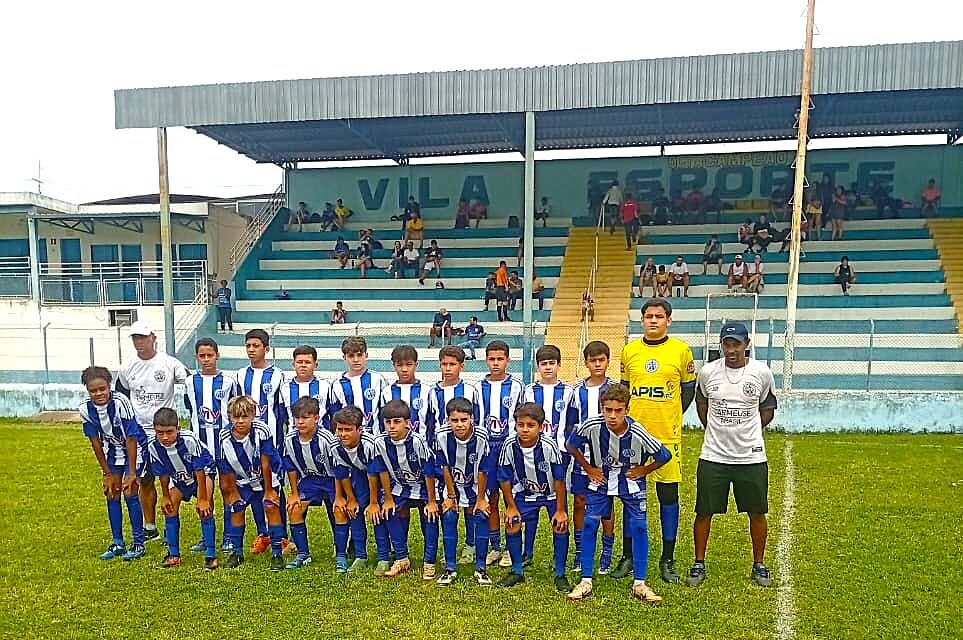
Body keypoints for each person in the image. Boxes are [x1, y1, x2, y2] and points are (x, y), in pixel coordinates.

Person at [687, 322, 778, 589]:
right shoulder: (708, 372)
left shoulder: (761, 372)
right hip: (713, 455)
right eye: (727, 344)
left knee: (757, 512)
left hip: (751, 457)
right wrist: (718, 431)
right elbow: (701, 403)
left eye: (736, 344)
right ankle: (699, 563)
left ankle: (759, 564)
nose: (731, 349)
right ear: (721, 345)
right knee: (704, 511)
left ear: (746, 344)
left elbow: (768, 407)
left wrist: (747, 432)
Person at [566, 385, 671, 603]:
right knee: (589, 523)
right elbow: (571, 445)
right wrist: (589, 468)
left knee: (639, 526)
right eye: (608, 410)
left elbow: (664, 455)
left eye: (618, 410)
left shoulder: (638, 431)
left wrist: (643, 470)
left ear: (627, 410)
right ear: (601, 408)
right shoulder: (591, 425)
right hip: (601, 480)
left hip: (630, 481)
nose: (612, 416)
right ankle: (586, 579)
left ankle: (639, 583)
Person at [617, 298, 696, 583]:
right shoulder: (629, 351)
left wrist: (671, 414)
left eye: (659, 316)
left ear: (668, 320)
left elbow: (688, 390)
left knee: (667, 497)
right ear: (642, 320)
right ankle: (627, 556)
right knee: (631, 497)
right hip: (633, 436)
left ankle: (667, 559)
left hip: (667, 435)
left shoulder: (681, 351)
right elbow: (624, 391)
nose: (653, 320)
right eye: (648, 316)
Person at [116, 320, 189, 544]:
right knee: (144, 478)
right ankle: (150, 526)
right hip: (140, 431)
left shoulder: (169, 363)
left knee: (175, 477)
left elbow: (190, 383)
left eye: (143, 337)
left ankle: (171, 522)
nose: (139, 342)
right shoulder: (127, 367)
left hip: (165, 432)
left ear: (153, 338)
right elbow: (120, 397)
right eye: (135, 338)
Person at [496, 403, 571, 591]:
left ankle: (560, 573)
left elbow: (560, 479)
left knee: (560, 525)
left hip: (552, 495)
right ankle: (517, 570)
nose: (525, 429)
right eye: (521, 425)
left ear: (541, 427)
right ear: (515, 426)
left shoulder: (549, 446)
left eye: (531, 425)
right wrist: (511, 506)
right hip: (525, 492)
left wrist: (561, 510)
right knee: (512, 522)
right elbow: (504, 478)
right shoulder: (509, 445)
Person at [80, 365, 147, 561]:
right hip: (112, 452)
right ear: (88, 391)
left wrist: (132, 472)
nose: (99, 393)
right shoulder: (85, 409)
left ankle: (138, 543)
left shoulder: (120, 402)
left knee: (130, 491)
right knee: (111, 493)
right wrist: (107, 473)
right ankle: (118, 543)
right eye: (93, 390)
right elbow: (95, 442)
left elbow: (132, 438)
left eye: (102, 389)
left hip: (135, 450)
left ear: (109, 386)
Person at [369, 399, 441, 579]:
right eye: (388, 422)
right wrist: (388, 498)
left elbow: (429, 472)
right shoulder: (380, 442)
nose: (392, 427)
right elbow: (382, 470)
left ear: (407, 423)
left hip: (425, 487)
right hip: (400, 486)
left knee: (430, 515)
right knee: (390, 511)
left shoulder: (417, 441)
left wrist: (432, 501)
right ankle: (402, 558)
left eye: (397, 422)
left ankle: (429, 562)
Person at [523, 346, 576, 572]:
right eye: (543, 363)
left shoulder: (568, 391)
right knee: (531, 501)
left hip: (560, 455)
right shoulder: (528, 391)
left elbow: (573, 421)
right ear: (538, 366)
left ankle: (560, 560)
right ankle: (527, 552)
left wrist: (567, 445)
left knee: (558, 502)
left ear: (558, 364)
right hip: (531, 453)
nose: (547, 367)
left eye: (552, 363)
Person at [217, 396, 285, 570]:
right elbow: (226, 468)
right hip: (242, 479)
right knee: (237, 508)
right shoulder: (224, 436)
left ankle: (277, 553)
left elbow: (266, 462)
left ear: (253, 414)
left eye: (245, 416)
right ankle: (237, 553)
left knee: (271, 506)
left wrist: (269, 490)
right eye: (236, 417)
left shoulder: (262, 430)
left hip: (267, 476)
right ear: (229, 416)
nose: (240, 421)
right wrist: (232, 493)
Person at [183, 337, 239, 552]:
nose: (206, 360)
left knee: (227, 490)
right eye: (202, 356)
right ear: (196, 358)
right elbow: (190, 408)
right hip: (201, 447)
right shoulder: (190, 382)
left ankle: (228, 537)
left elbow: (233, 409)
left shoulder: (228, 381)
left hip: (224, 445)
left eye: (210, 355)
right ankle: (207, 538)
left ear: (217, 355)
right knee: (204, 493)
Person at [434, 397, 494, 586]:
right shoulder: (441, 435)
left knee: (482, 516)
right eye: (454, 420)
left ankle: (481, 568)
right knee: (450, 516)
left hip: (476, 485)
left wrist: (481, 499)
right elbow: (444, 466)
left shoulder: (482, 436)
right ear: (447, 420)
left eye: (463, 420)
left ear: (472, 419)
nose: (459, 424)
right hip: (452, 486)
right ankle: (450, 568)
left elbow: (484, 469)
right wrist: (451, 497)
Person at [567, 341, 616, 574]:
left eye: (601, 360)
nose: (597, 364)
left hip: (608, 458)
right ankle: (580, 553)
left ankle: (606, 553)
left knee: (606, 504)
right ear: (585, 363)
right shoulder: (577, 391)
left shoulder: (615, 388)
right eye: (592, 360)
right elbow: (571, 423)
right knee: (579, 502)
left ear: (608, 361)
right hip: (583, 457)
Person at [474, 340, 524, 567]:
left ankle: (512, 546)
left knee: (511, 497)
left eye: (500, 359)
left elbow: (521, 417)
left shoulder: (516, 386)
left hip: (509, 447)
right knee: (490, 496)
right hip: (487, 449)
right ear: (486, 360)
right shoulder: (477, 388)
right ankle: (495, 546)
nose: (495, 363)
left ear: (507, 360)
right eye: (492, 359)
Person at [148, 408, 217, 570]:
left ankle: (211, 555)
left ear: (178, 429)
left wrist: (202, 498)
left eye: (169, 432)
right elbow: (163, 473)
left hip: (203, 473)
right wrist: (165, 496)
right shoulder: (153, 445)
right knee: (169, 508)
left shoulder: (189, 439)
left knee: (204, 509)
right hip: (180, 478)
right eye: (160, 432)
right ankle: (173, 555)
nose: (165, 437)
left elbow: (200, 469)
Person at [331, 406, 392, 575]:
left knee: (376, 515)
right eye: (340, 429)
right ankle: (360, 556)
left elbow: (376, 474)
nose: (343, 434)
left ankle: (383, 557)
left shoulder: (370, 444)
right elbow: (342, 473)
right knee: (354, 512)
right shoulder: (335, 446)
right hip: (357, 476)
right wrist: (351, 498)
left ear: (360, 429)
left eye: (348, 430)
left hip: (379, 479)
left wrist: (374, 503)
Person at [282, 396, 340, 570]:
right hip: (310, 480)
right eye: (297, 418)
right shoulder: (290, 439)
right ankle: (303, 553)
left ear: (316, 418)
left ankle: (342, 549)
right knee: (294, 508)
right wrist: (293, 494)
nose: (300, 422)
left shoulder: (326, 439)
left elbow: (339, 468)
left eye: (305, 417)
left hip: (332, 480)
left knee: (338, 510)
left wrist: (341, 495)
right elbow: (290, 467)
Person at [328, 336, 388, 434]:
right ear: (344, 357)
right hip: (349, 438)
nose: (356, 360)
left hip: (375, 437)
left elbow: (385, 411)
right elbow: (335, 415)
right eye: (351, 356)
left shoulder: (378, 379)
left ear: (366, 355)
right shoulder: (337, 384)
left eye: (359, 355)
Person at [379, 345, 432, 441]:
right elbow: (383, 422)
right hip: (394, 447)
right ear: (393, 366)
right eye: (399, 365)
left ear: (416, 365)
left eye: (409, 364)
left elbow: (430, 422)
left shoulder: (427, 391)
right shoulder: (387, 392)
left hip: (421, 446)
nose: (404, 369)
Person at [278, 345, 331, 433]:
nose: (303, 365)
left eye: (307, 362)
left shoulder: (325, 386)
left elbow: (332, 414)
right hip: (294, 441)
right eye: (299, 362)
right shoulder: (285, 388)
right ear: (293, 365)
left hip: (320, 441)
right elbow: (282, 418)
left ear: (315, 365)